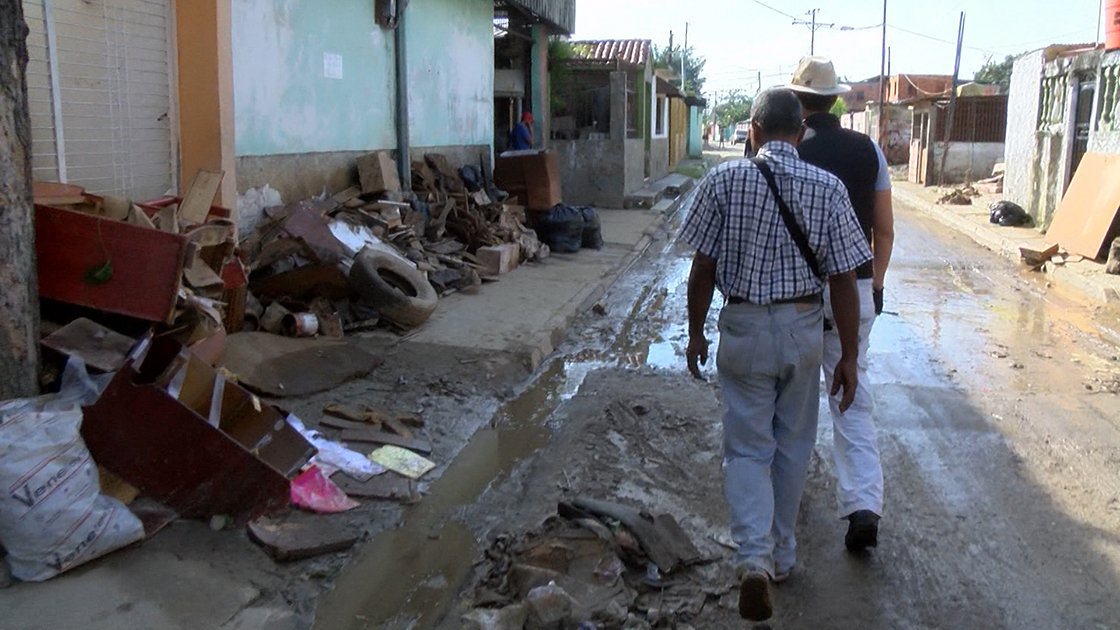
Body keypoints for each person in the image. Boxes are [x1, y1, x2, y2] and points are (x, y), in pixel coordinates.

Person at [681, 88, 872, 621]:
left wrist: (696, 333)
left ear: (754, 130)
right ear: (802, 131)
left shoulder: (723, 180)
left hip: (742, 326)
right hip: (802, 329)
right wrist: (849, 356)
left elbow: (702, 268)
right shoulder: (829, 188)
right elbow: (845, 280)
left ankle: (753, 560)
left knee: (746, 448)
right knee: (792, 445)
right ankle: (782, 556)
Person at [787, 56, 895, 552]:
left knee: (793, 400)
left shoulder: (784, 150)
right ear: (834, 100)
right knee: (851, 395)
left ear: (797, 101)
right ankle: (862, 507)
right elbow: (884, 229)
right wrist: (874, 282)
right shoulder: (868, 149)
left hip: (798, 296)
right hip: (853, 291)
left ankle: (785, 501)